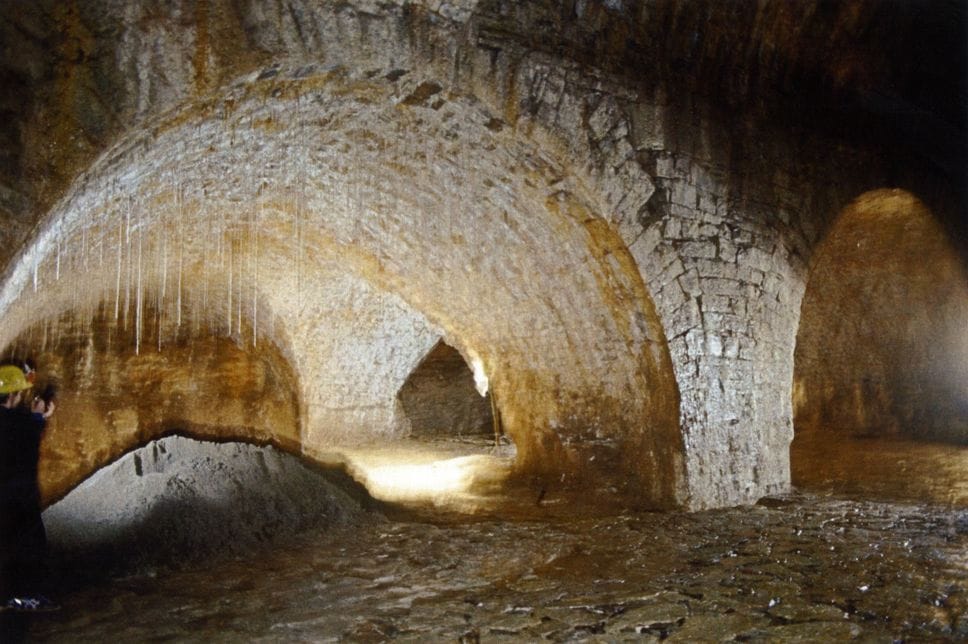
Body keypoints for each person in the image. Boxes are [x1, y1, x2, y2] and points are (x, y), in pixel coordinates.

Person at [0, 364, 58, 612]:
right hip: (18, 497)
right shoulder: (17, 423)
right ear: (12, 395)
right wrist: (38, 417)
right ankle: (24, 597)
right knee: (28, 548)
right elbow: (26, 442)